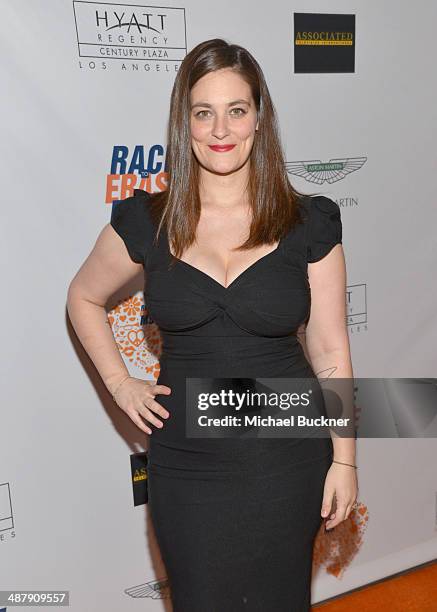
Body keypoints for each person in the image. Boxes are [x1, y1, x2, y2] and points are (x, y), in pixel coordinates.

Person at [67, 38, 358, 611]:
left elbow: (329, 350)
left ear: (259, 118)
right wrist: (121, 383)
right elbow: (83, 297)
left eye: (236, 110)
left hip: (287, 453)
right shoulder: (146, 221)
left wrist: (345, 460)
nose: (220, 128)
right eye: (204, 112)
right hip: (186, 460)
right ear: (186, 124)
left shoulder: (309, 223)